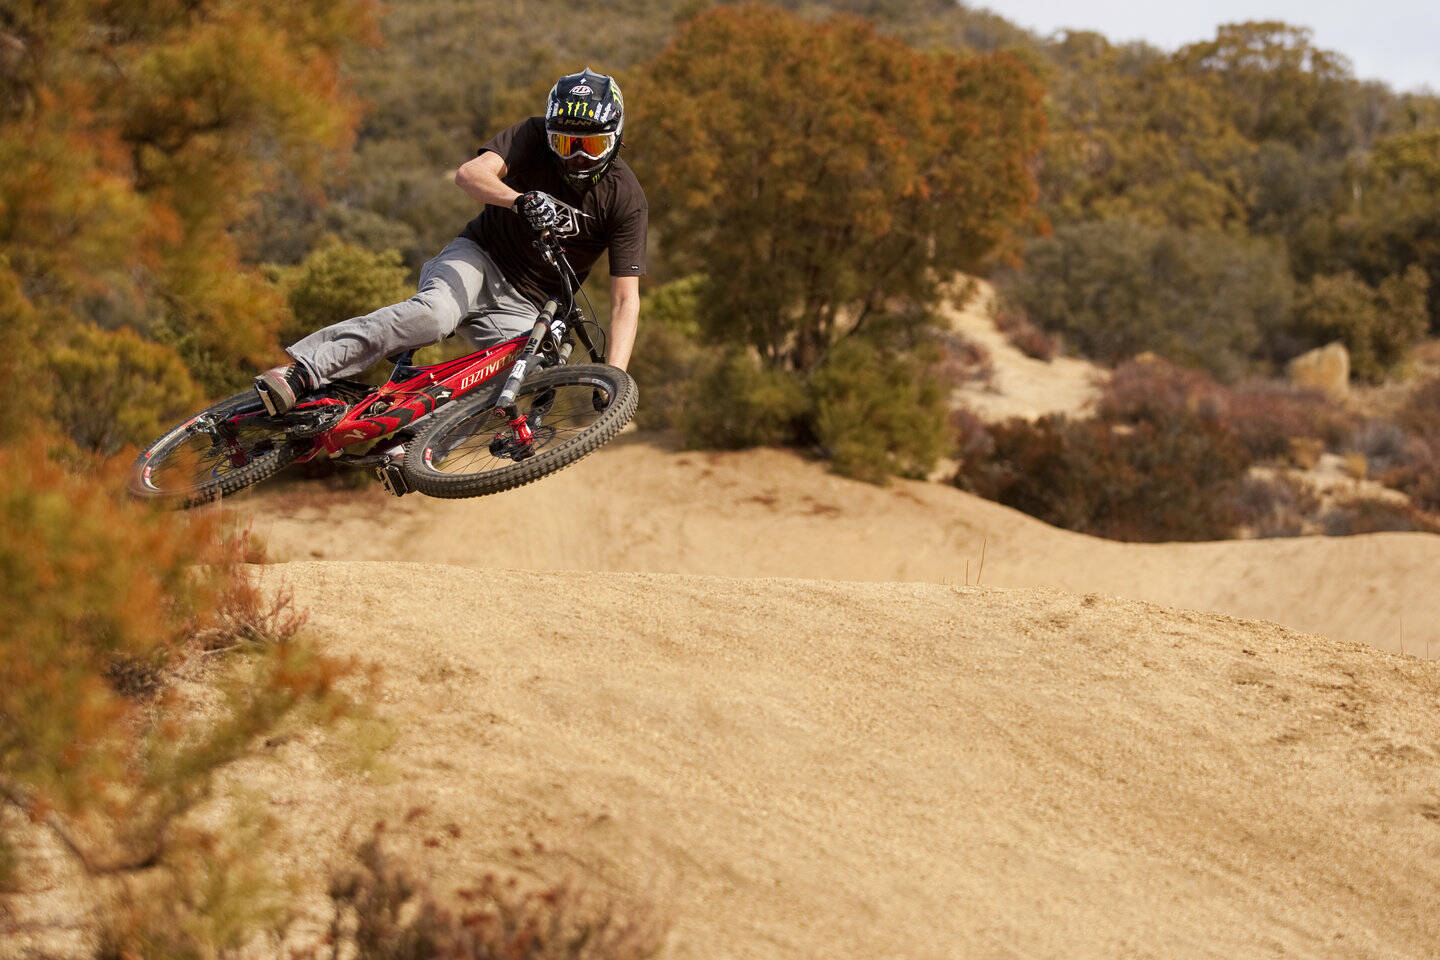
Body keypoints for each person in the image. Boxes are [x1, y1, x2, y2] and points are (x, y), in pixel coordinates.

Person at [253, 68, 647, 416]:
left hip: (529, 304)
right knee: (434, 317)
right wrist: (518, 200)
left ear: (616, 139)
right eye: (564, 144)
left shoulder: (625, 198)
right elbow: (470, 174)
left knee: (524, 382)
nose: (577, 157)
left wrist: (612, 378)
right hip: (479, 258)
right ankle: (303, 370)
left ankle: (412, 441)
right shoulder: (530, 134)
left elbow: (625, 300)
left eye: (590, 146)